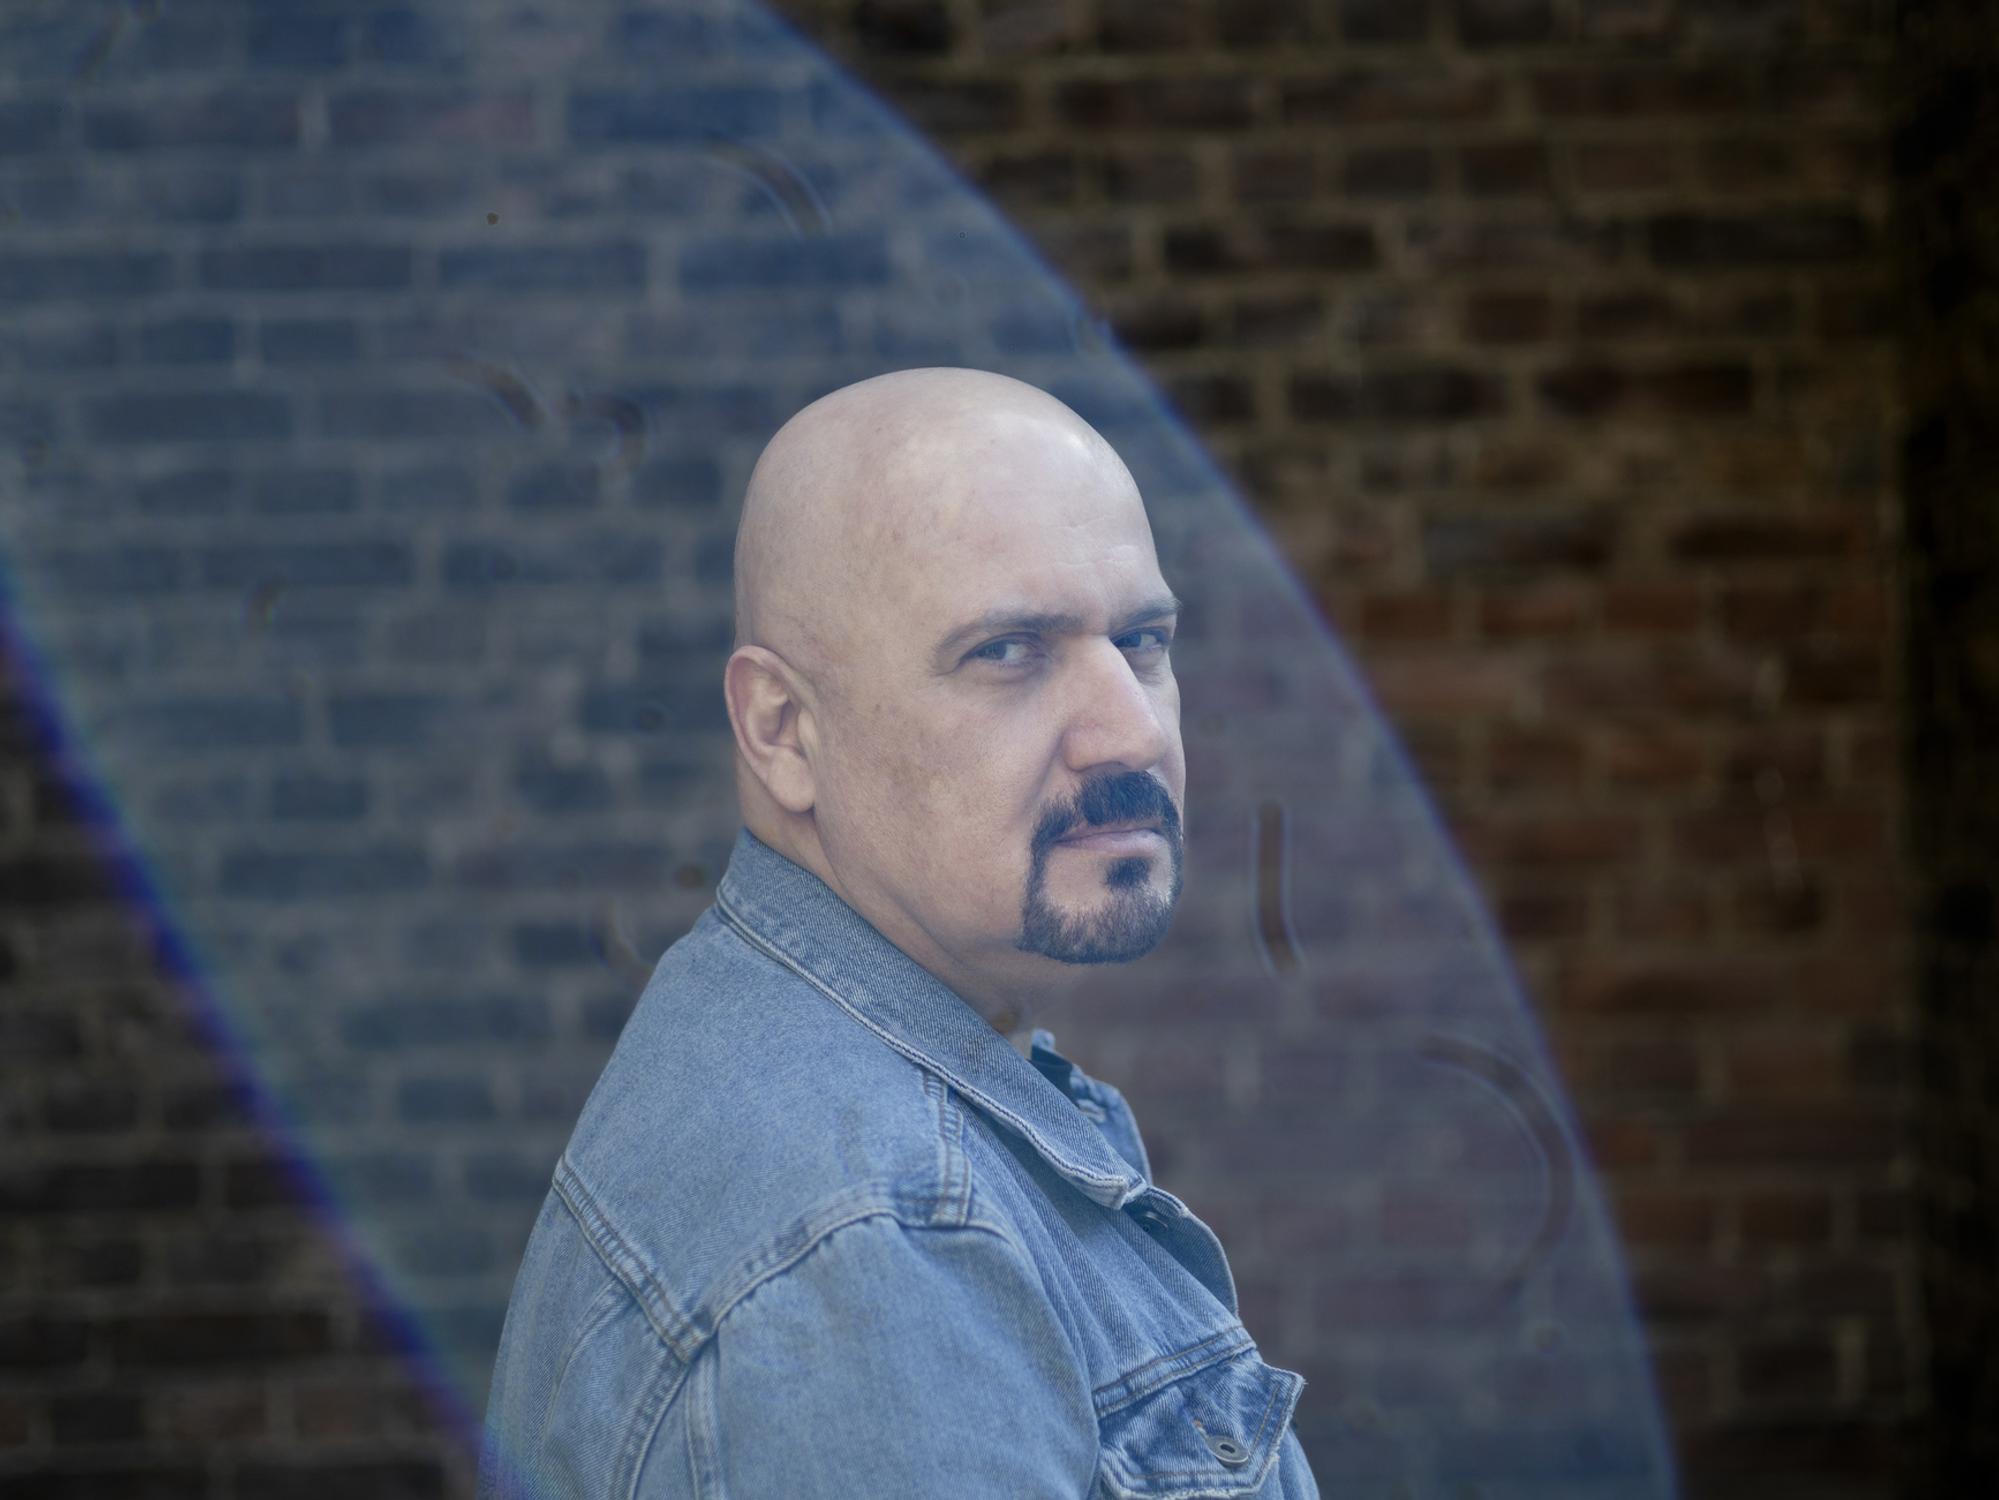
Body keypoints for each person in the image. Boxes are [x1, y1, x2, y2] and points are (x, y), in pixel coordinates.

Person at [479, 367, 1319, 1497]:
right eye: (1007, 651)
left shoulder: (797, 1057)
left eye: (1142, 640)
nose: (1130, 732)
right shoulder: (881, 1244)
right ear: (782, 729)